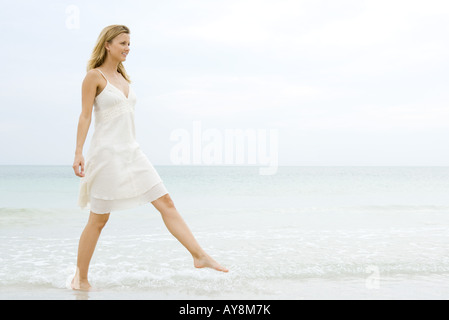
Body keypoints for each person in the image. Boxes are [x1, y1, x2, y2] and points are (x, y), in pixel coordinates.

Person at [71, 24, 228, 291]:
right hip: (106, 154)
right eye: (122, 43)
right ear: (107, 45)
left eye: (129, 44)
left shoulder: (124, 79)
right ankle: (80, 278)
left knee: (166, 201)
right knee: (98, 220)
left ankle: (199, 255)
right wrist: (78, 152)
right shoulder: (93, 77)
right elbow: (85, 115)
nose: (127, 48)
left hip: (132, 152)